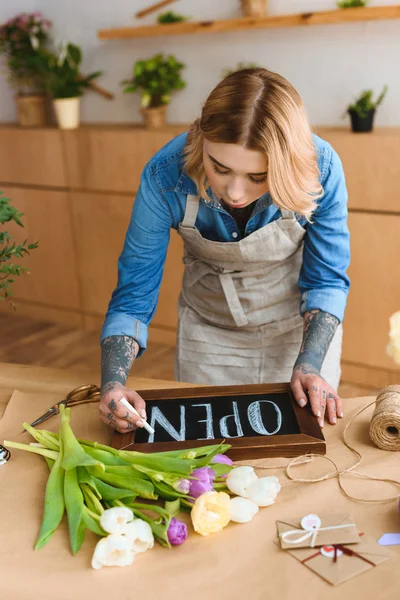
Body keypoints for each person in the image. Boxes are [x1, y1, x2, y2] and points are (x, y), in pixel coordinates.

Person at [99, 68, 350, 435]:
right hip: (209, 333)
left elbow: (326, 279)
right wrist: (113, 384)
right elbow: (133, 295)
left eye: (258, 177)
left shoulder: (321, 167)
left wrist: (310, 365)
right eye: (220, 168)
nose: (234, 192)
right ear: (201, 137)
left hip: (296, 332)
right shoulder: (164, 176)